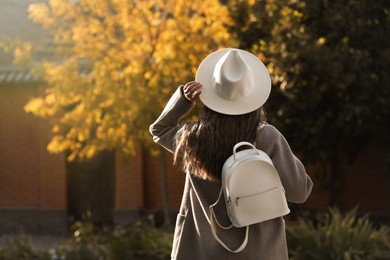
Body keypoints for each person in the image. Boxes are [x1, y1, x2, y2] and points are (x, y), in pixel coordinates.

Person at [149, 48, 313, 260]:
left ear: (211, 94)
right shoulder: (267, 137)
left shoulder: (193, 138)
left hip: (202, 251)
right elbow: (300, 192)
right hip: (261, 253)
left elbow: (159, 129)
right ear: (253, 96)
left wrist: (183, 99)